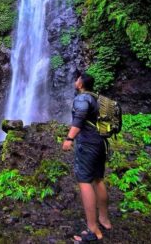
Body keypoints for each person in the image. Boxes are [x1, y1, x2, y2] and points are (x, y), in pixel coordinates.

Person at [62, 72, 112, 243]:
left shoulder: (82, 98)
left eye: (77, 79)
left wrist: (69, 138)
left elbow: (80, 117)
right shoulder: (97, 97)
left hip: (88, 145)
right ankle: (104, 220)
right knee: (98, 179)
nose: (75, 81)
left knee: (85, 182)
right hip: (101, 143)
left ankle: (93, 230)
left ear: (81, 84)